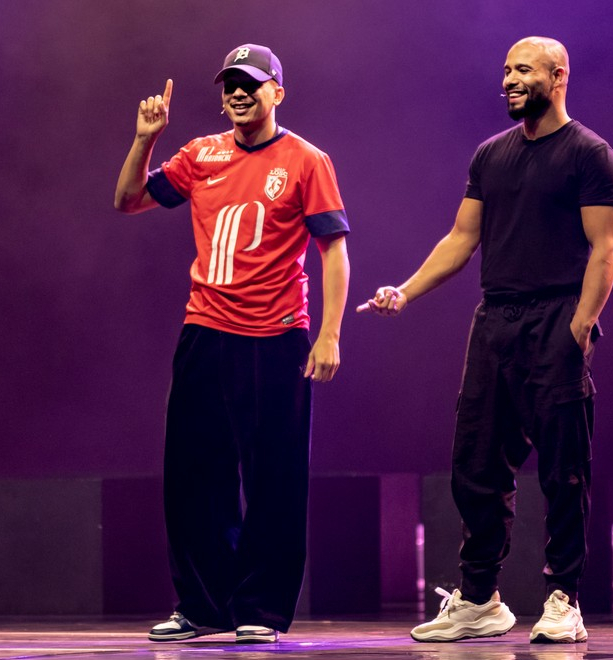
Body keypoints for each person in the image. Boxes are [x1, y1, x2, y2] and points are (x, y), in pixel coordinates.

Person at [359, 36, 613, 644]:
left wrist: (579, 327)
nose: (508, 79)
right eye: (505, 69)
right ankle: (480, 599)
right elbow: (461, 237)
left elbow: (606, 249)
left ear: (558, 77)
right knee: (475, 465)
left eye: (523, 70)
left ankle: (564, 598)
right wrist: (404, 290)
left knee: (564, 468)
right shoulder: (491, 155)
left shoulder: (590, 154)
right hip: (496, 322)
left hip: (557, 316)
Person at [114, 44, 350, 644]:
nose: (238, 94)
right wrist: (145, 139)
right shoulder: (201, 153)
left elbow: (333, 251)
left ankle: (261, 610)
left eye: (251, 83)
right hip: (205, 334)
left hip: (275, 339)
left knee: (273, 477)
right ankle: (203, 605)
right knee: (192, 474)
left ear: (278, 92)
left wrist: (327, 334)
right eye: (230, 85)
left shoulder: (306, 160)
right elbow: (129, 201)